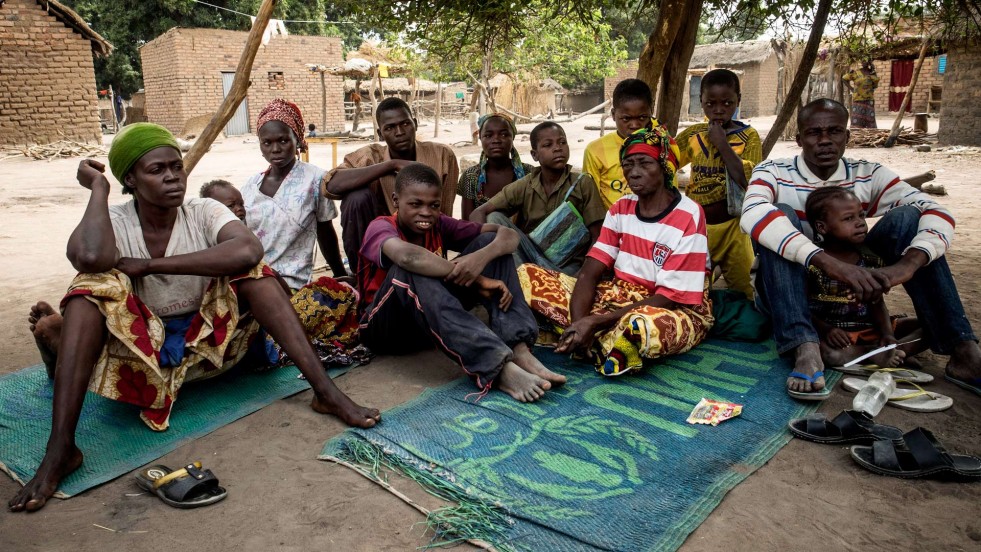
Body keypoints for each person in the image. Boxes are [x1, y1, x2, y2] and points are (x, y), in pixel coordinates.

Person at [11, 123, 380, 513]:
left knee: (256, 274)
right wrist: (99, 190)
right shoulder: (116, 221)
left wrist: (151, 265)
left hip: (214, 345)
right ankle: (62, 447)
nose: (172, 177)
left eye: (177, 166)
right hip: (143, 360)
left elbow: (248, 250)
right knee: (87, 292)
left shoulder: (203, 210)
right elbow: (87, 259)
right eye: (157, 170)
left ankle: (326, 393)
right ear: (130, 180)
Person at [741, 98, 981, 398]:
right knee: (778, 214)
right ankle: (804, 345)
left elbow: (935, 210)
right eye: (814, 133)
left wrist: (903, 267)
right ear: (799, 138)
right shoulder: (774, 171)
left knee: (909, 217)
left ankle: (962, 348)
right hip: (790, 290)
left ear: (847, 136)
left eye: (835, 131)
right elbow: (750, 214)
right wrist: (830, 264)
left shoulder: (867, 173)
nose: (825, 140)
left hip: (853, 293)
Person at [358, 163, 566, 403]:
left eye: (433, 205)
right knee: (410, 269)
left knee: (489, 242)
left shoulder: (439, 224)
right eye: (415, 204)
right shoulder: (381, 226)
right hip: (384, 329)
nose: (426, 212)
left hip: (427, 320)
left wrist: (480, 258)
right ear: (396, 200)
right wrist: (478, 280)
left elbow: (509, 236)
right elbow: (409, 257)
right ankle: (497, 367)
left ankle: (518, 348)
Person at [519, 126, 714, 376]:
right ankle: (599, 342)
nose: (634, 173)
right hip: (617, 297)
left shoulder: (689, 214)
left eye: (644, 163)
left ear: (665, 167)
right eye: (628, 164)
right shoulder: (620, 208)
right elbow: (590, 272)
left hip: (672, 306)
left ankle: (585, 337)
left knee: (643, 325)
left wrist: (595, 321)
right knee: (528, 276)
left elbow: (670, 297)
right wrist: (581, 321)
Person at [322, 97, 458, 273]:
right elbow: (330, 185)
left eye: (405, 124)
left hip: (425, 239)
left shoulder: (442, 155)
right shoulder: (371, 156)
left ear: (415, 124)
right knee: (356, 198)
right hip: (383, 244)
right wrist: (391, 165)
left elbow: (444, 214)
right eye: (390, 128)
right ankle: (361, 275)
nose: (399, 132)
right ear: (380, 133)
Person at [804, 187, 926, 368]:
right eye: (848, 218)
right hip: (835, 335)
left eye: (861, 216)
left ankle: (894, 350)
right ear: (822, 227)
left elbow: (877, 303)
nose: (860, 223)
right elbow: (800, 306)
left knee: (934, 326)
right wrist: (826, 329)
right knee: (828, 354)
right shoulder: (813, 261)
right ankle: (871, 354)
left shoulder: (870, 259)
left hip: (870, 329)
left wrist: (887, 333)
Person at [470, 122, 606, 275]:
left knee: (560, 284)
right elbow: (478, 212)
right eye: (548, 145)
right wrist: (482, 253)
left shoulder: (582, 183)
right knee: (494, 217)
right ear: (534, 155)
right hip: (529, 255)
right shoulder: (526, 184)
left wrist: (584, 275)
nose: (557, 148)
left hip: (568, 264)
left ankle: (527, 277)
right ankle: (526, 276)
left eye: (562, 142)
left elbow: (598, 237)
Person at [675, 69, 760, 300]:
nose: (719, 109)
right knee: (694, 289)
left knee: (749, 291)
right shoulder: (693, 134)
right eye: (710, 103)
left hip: (734, 228)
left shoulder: (748, 136)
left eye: (727, 102)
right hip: (698, 228)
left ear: (738, 101)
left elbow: (747, 180)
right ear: (701, 102)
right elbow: (667, 162)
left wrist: (722, 143)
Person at [243, 99, 347, 287]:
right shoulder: (250, 187)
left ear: (297, 139)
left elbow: (325, 232)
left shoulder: (315, 179)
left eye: (283, 140)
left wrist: (339, 273)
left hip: (291, 282)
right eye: (267, 143)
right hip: (251, 277)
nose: (275, 149)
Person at [583, 78, 678, 210]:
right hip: (614, 226)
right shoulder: (595, 150)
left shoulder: (662, 145)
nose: (634, 125)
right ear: (613, 114)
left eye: (642, 117)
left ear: (651, 112)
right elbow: (591, 200)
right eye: (626, 118)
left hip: (656, 223)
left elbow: (671, 190)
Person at [457, 113, 532, 220]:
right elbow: (467, 224)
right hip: (482, 236)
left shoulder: (529, 173)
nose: (496, 140)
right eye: (488, 136)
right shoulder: (470, 176)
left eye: (504, 135)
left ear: (513, 137)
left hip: (522, 236)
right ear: (481, 138)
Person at [842, 61, 880, 129]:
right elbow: (844, 78)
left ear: (869, 63)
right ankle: (856, 131)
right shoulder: (856, 72)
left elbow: (875, 85)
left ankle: (870, 132)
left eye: (865, 61)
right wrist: (851, 88)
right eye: (862, 61)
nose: (863, 63)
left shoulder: (872, 73)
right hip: (858, 99)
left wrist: (873, 70)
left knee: (870, 117)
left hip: (869, 99)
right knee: (857, 117)